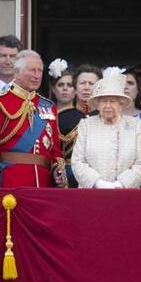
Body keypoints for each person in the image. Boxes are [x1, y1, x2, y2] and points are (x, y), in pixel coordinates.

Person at [0, 50, 66, 188]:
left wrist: (56, 170)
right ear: (16, 72)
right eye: (32, 70)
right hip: (10, 181)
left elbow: (54, 149)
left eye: (40, 71)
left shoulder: (48, 106)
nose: (37, 76)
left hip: (43, 183)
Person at [71, 73, 141, 188]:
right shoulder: (86, 125)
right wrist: (98, 183)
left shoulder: (136, 125)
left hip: (126, 194)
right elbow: (77, 161)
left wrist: (121, 184)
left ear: (120, 104)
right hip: (92, 193)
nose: (107, 105)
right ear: (97, 104)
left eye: (112, 101)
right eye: (103, 101)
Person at [49, 58, 84, 188]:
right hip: (47, 172)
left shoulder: (83, 119)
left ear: (75, 91)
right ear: (53, 89)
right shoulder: (43, 115)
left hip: (74, 173)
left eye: (69, 85)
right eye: (60, 85)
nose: (65, 89)